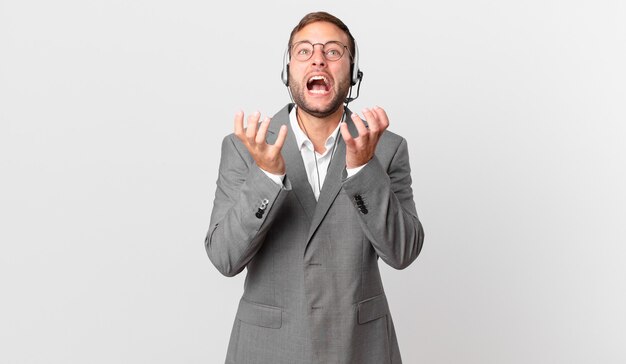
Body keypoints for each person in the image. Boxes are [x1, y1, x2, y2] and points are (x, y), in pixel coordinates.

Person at [205, 11, 424, 364]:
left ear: (353, 74)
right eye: (304, 50)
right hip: (267, 350)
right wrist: (268, 176)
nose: (318, 58)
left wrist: (365, 169)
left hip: (361, 347)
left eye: (333, 51)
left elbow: (402, 252)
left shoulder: (386, 147)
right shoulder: (244, 147)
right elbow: (224, 258)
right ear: (287, 69)